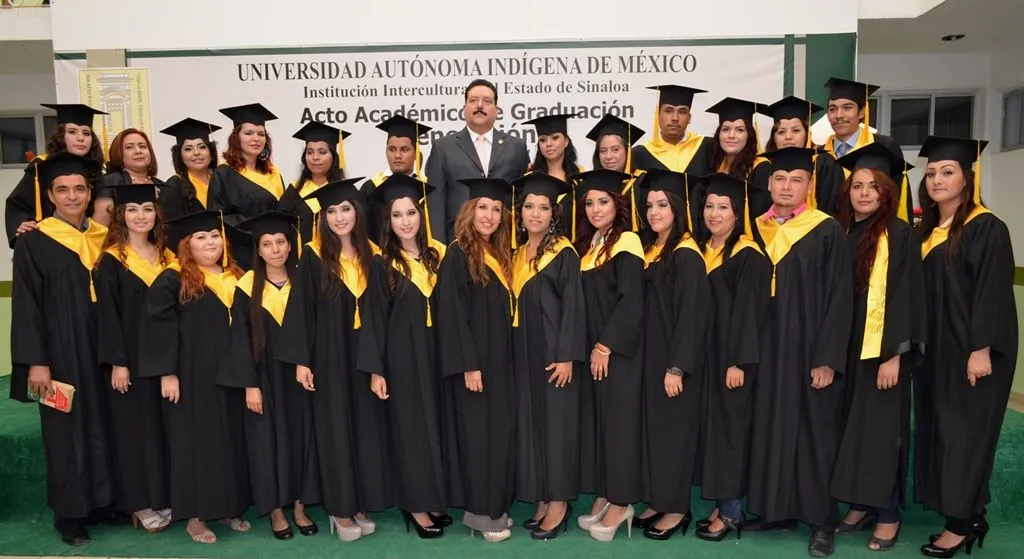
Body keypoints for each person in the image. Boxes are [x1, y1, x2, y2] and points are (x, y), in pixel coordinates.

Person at [746, 147, 854, 558]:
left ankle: (821, 520)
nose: (786, 186)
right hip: (765, 351)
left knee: (813, 435)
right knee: (769, 427)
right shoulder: (755, 228)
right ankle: (775, 510)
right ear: (768, 184)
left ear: (809, 185)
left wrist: (827, 358)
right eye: (779, 179)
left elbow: (840, 299)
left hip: (809, 350)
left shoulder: (826, 230)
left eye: (795, 180)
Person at [914, 136, 1016, 558]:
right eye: (932, 172)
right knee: (943, 432)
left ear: (967, 178)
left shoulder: (986, 226)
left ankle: (962, 524)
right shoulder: (928, 230)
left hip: (972, 351)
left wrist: (980, 349)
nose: (937, 179)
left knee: (965, 435)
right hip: (937, 352)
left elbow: (992, 293)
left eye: (948, 171)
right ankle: (968, 515)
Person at [10, 153, 118, 546]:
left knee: (105, 422)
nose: (72, 196)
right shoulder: (34, 242)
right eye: (62, 190)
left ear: (90, 194)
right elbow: (25, 306)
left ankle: (105, 504)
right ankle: (70, 514)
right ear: (50, 196)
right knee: (66, 431)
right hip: (59, 350)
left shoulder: (103, 239)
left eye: (79, 189)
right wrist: (35, 362)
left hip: (102, 347)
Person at [276, 179, 392, 543]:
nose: (339, 217)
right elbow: (301, 310)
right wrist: (301, 360)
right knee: (335, 432)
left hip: (364, 354)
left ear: (357, 213)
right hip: (328, 357)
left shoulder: (373, 254)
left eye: (345, 209)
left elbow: (379, 314)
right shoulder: (312, 254)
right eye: (331, 211)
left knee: (363, 429)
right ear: (322, 218)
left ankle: (357, 501)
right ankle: (340, 509)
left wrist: (378, 366)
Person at [829, 143, 925, 552]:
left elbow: (907, 296)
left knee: (881, 433)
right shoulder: (845, 231)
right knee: (852, 429)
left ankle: (887, 513)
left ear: (889, 191)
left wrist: (893, 355)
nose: (864, 193)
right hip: (849, 349)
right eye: (857, 185)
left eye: (873, 186)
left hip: (881, 351)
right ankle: (860, 504)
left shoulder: (900, 234)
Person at [137, 209, 251, 544]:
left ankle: (229, 506)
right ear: (186, 244)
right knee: (195, 444)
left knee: (231, 438)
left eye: (215, 235)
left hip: (232, 372)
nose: (210, 242)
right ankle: (196, 516)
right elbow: (158, 328)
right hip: (192, 375)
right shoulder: (174, 278)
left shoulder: (235, 274)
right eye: (201, 237)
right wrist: (167, 373)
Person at [218, 210, 321, 540]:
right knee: (267, 443)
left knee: (302, 440)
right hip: (264, 379)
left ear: (290, 246)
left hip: (300, 377)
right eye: (267, 243)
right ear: (258, 250)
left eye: (280, 242)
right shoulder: (246, 287)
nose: (275, 249)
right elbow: (239, 341)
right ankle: (276, 510)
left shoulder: (305, 281)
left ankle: (300, 504)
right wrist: (250, 384)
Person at [359, 173, 451, 539]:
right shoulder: (383, 263)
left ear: (421, 214)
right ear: (388, 220)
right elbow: (374, 320)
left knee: (435, 427)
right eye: (397, 215)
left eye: (411, 212)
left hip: (436, 356)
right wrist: (376, 370)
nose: (406, 221)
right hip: (402, 361)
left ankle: (430, 498)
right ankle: (415, 506)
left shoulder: (438, 255)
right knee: (411, 431)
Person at [435, 177, 516, 542]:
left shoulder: (501, 253)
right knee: (479, 439)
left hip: (500, 364)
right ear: (469, 211)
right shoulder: (458, 252)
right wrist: (469, 364)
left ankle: (493, 506)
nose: (490, 215)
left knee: (498, 437)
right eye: (482, 207)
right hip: (476, 366)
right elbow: (451, 314)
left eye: (496, 209)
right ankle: (483, 513)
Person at [693, 172, 771, 542]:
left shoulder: (747, 255)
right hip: (709, 358)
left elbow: (750, 314)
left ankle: (732, 512)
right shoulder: (705, 249)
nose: (714, 213)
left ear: (738, 213)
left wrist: (739, 362)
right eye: (709, 206)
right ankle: (721, 503)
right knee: (716, 431)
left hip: (733, 362)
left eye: (723, 207)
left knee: (731, 434)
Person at [635, 168, 711, 541]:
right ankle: (659, 499)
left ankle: (677, 508)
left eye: (662, 205)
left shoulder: (686, 255)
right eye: (649, 205)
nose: (653, 212)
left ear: (679, 209)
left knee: (675, 436)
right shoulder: (653, 249)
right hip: (650, 361)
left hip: (673, 364)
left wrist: (677, 367)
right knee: (656, 435)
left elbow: (691, 319)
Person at [509, 173, 586, 540]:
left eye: (543, 208)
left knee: (556, 428)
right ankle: (542, 495)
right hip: (525, 356)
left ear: (553, 213)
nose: (535, 214)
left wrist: (568, 355)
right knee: (534, 425)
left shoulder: (564, 252)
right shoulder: (515, 254)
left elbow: (574, 307)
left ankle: (559, 502)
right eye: (528, 207)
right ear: (519, 212)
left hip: (555, 354)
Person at [95, 183, 175, 534]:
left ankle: (163, 495)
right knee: (134, 432)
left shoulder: (168, 256)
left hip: (165, 358)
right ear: (120, 216)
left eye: (147, 209)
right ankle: (140, 503)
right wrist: (118, 362)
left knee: (162, 429)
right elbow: (107, 315)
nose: (140, 216)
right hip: (130, 359)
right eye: (132, 210)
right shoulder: (112, 258)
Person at [571, 169, 645, 542]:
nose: (595, 208)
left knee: (620, 429)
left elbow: (631, 301)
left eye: (603, 202)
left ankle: (622, 502)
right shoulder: (592, 245)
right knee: (602, 427)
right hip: (597, 355)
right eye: (589, 203)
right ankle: (605, 492)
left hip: (618, 356)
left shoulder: (627, 242)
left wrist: (605, 346)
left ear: (618, 204)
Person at [425, 78, 530, 242]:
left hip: (505, 243)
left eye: (487, 101)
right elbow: (435, 203)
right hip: (458, 242)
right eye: (473, 100)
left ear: (497, 110)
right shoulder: (443, 148)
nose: (479, 105)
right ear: (464, 108)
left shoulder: (516, 147)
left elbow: (523, 199)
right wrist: (440, 249)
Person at [6, 103, 106, 247]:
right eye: (72, 132)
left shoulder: (98, 171)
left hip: (89, 243)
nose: (80, 138)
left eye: (86, 133)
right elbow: (18, 203)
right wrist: (22, 223)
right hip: (50, 243)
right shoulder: (41, 167)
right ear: (61, 136)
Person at [207, 103, 287, 267]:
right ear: (237, 137)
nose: (256, 139)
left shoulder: (273, 173)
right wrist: (258, 232)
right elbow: (220, 217)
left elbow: (283, 211)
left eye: (261, 134)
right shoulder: (224, 173)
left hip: (276, 252)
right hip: (243, 252)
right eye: (248, 133)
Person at [822, 78, 912, 220]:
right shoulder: (819, 154)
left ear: (862, 112)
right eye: (832, 109)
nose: (839, 115)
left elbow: (897, 193)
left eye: (847, 108)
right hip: (829, 236)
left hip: (876, 232)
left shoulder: (884, 146)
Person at [762, 96, 845, 217]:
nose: (788, 137)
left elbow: (835, 208)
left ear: (807, 133)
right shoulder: (765, 168)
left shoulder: (825, 163)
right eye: (781, 132)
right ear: (774, 137)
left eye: (796, 131)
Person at [360, 114, 432, 242]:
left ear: (416, 153)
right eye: (392, 149)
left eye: (404, 149)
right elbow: (362, 233)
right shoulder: (370, 188)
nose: (397, 155)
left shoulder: (428, 188)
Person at [277, 120, 348, 248]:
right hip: (301, 263)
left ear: (334, 156)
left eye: (322, 152)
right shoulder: (294, 191)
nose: (315, 157)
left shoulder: (345, 190)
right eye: (310, 152)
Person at [705, 97, 770, 234]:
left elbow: (761, 215)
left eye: (740, 130)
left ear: (749, 135)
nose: (731, 135)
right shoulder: (714, 166)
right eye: (726, 129)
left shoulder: (761, 168)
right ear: (719, 134)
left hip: (746, 241)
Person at [631, 84, 711, 176]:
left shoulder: (707, 148)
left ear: (689, 118)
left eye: (682, 112)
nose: (675, 118)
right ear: (658, 116)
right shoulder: (639, 155)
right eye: (669, 111)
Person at [94, 128, 164, 227]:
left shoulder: (163, 186)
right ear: (119, 154)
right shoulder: (111, 182)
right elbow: (100, 227)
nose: (138, 151)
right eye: (129, 147)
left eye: (143, 146)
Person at [158, 117, 223, 220]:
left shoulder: (222, 181)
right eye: (188, 149)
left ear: (211, 152)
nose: (196, 153)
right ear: (180, 155)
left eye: (202, 147)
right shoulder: (173, 188)